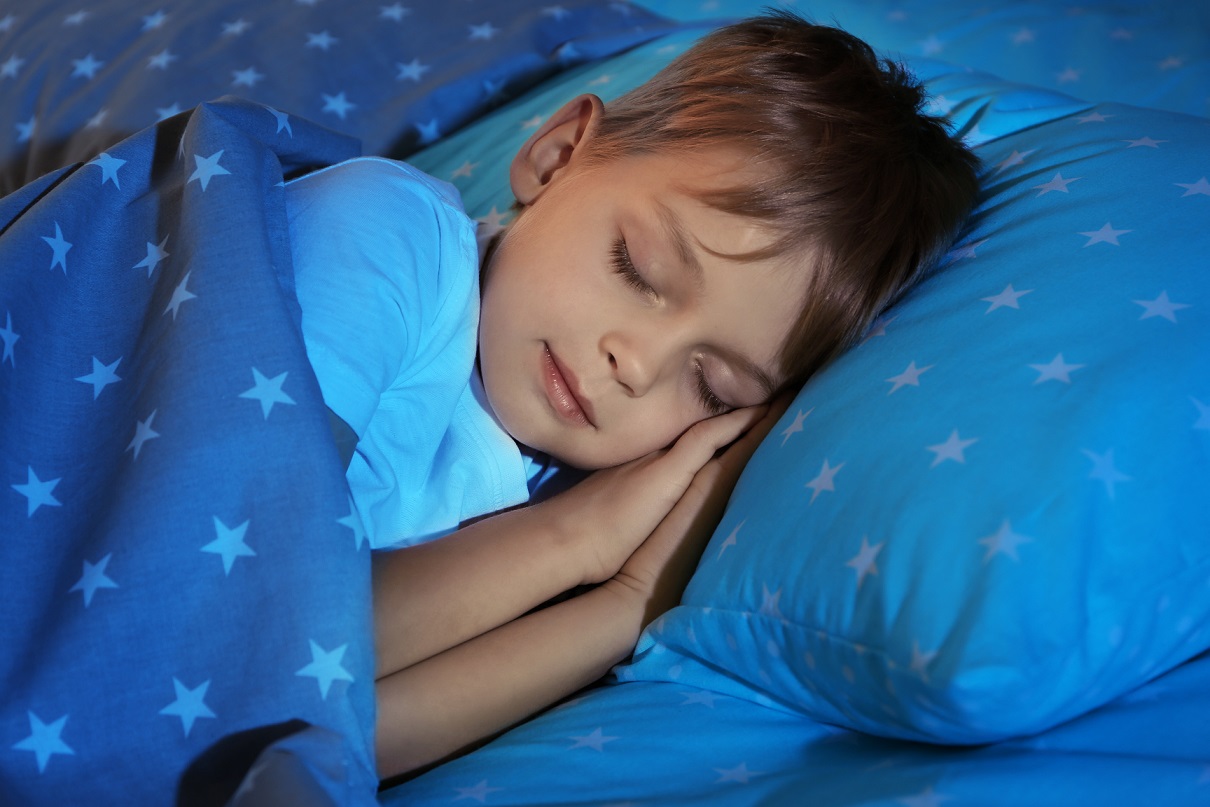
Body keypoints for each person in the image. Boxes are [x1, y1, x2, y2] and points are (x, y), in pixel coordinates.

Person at [291, 11, 980, 779]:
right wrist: (576, 538)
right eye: (637, 268)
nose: (636, 363)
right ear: (556, 158)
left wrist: (625, 596)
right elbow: (240, 632)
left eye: (711, 385)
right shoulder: (390, 234)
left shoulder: (556, 487)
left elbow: (332, 743)